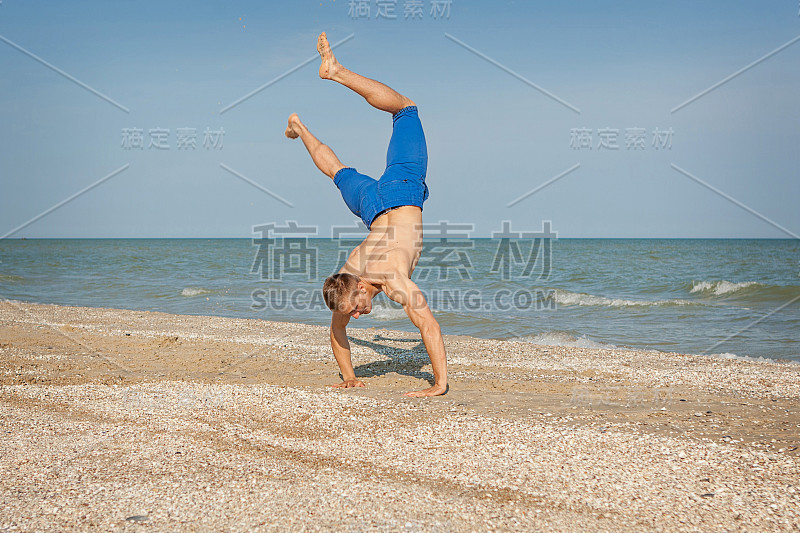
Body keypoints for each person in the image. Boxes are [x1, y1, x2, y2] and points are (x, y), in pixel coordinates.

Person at [285, 32, 447, 397]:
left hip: (400, 192)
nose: (355, 314)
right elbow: (336, 330)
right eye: (353, 310)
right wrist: (349, 377)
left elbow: (429, 326)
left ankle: (336, 71)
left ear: (359, 286)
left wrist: (438, 384)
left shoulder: (389, 279)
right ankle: (298, 125)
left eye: (355, 308)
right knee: (337, 170)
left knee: (405, 108)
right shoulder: (346, 281)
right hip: (372, 205)